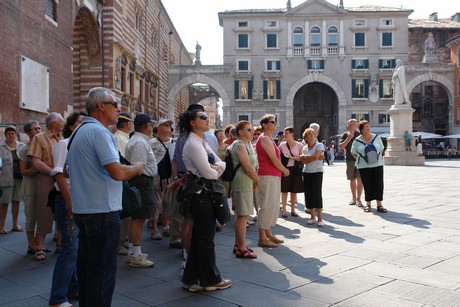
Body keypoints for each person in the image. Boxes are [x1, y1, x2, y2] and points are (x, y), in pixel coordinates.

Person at [66, 87, 144, 306]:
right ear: (101, 106)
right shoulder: (100, 132)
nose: (118, 110)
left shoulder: (78, 132)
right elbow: (117, 172)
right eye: (114, 104)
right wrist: (137, 168)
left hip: (85, 210)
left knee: (89, 271)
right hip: (101, 212)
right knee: (102, 274)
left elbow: (67, 169)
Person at [180, 107, 232, 292]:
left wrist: (216, 167)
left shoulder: (201, 141)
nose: (206, 119)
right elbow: (210, 172)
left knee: (200, 238)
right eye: (202, 117)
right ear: (192, 122)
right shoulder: (193, 144)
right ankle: (210, 280)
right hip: (199, 194)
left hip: (203, 193)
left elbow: (221, 162)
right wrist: (216, 168)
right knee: (206, 238)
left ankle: (190, 279)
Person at [48, 112, 85, 307]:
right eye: (80, 123)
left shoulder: (80, 145)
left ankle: (73, 288)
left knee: (75, 247)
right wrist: (70, 202)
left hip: (79, 201)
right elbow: (59, 174)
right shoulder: (64, 145)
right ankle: (57, 298)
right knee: (70, 248)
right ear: (71, 127)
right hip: (67, 200)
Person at [27, 112, 64, 260]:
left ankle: (61, 242)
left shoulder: (61, 139)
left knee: (62, 209)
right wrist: (53, 172)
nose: (63, 123)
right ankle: (40, 245)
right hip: (46, 178)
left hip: (61, 178)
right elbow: (36, 161)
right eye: (61, 121)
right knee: (44, 211)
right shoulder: (39, 138)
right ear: (53, 123)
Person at [125, 114, 157, 268]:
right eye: (151, 125)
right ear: (147, 127)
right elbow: (138, 166)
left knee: (136, 218)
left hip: (141, 181)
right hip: (141, 181)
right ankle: (136, 254)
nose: (152, 128)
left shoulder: (139, 140)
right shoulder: (140, 143)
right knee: (139, 218)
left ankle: (133, 251)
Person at [256, 114, 289, 248]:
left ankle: (268, 233)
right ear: (264, 124)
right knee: (266, 205)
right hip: (267, 174)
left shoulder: (269, 138)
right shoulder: (264, 138)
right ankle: (262, 237)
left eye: (275, 122)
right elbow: (273, 159)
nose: (275, 124)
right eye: (272, 122)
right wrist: (285, 170)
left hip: (273, 175)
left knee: (273, 205)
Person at [231, 120, 259, 259]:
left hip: (245, 182)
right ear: (240, 132)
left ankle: (238, 244)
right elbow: (247, 167)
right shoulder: (240, 146)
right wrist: (257, 179)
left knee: (242, 215)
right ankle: (241, 248)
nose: (252, 132)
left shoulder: (246, 145)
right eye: (249, 130)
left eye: (252, 129)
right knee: (243, 216)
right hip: (243, 182)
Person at [351, 120, 387, 213]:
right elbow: (353, 152)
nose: (369, 128)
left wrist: (375, 157)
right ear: (362, 129)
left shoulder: (376, 137)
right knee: (367, 184)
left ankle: (379, 205)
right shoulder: (357, 140)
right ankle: (368, 204)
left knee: (379, 184)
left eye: (369, 126)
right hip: (364, 166)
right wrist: (363, 159)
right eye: (366, 127)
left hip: (377, 164)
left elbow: (382, 148)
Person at [149, 118, 174, 241]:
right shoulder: (151, 143)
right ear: (158, 128)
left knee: (168, 202)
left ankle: (166, 226)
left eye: (169, 125)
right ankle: (154, 228)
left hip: (169, 176)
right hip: (156, 176)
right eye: (165, 125)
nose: (168, 127)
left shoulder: (173, 142)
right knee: (156, 203)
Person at [18, 120, 41, 254]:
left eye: (39, 128)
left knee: (42, 216)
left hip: (41, 185)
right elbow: (23, 171)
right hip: (30, 186)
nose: (38, 130)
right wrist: (37, 168)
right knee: (31, 216)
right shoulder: (24, 149)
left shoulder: (42, 145)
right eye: (34, 129)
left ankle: (39, 242)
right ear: (27, 133)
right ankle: (31, 244)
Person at [113, 112, 133, 256]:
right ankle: (119, 243)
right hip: (123, 180)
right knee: (123, 213)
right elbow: (123, 160)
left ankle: (122, 240)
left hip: (124, 179)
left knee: (126, 214)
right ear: (127, 124)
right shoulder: (120, 138)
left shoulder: (122, 137)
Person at [0, 125, 26, 234]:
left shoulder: (22, 146)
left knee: (16, 201)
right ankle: (1, 226)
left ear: (16, 134)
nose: (11, 135)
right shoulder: (1, 147)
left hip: (19, 178)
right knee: (4, 203)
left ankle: (15, 224)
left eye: (13, 133)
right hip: (5, 178)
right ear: (5, 135)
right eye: (9, 133)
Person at [300, 128, 326, 227]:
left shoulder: (319, 145)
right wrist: (312, 157)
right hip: (306, 172)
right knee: (308, 194)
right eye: (308, 134)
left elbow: (315, 157)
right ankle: (312, 217)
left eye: (312, 134)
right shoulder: (304, 148)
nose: (311, 136)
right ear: (305, 138)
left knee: (317, 193)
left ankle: (320, 218)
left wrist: (305, 157)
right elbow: (302, 161)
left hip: (317, 172)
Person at [278, 126, 303, 218]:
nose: (284, 135)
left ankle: (293, 210)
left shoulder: (299, 145)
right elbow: (279, 157)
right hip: (285, 169)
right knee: (284, 191)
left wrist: (291, 157)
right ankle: (284, 210)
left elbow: (301, 158)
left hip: (295, 169)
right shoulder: (282, 145)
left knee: (294, 190)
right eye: (284, 133)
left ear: (292, 134)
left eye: (286, 133)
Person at [339, 119, 364, 207]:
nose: (352, 126)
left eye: (353, 124)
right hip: (349, 159)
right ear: (347, 126)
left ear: (356, 125)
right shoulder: (345, 135)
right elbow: (341, 146)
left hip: (360, 159)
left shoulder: (360, 134)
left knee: (360, 179)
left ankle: (359, 199)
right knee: (352, 179)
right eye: (350, 124)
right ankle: (353, 198)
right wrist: (349, 138)